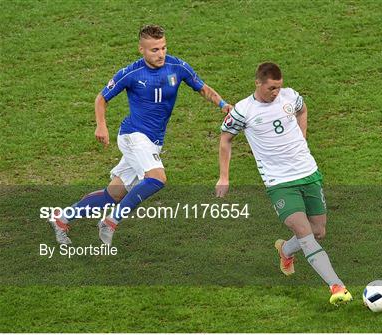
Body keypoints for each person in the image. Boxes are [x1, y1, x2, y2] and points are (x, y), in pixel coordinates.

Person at [49, 24, 232, 246]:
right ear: (141, 49)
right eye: (154, 49)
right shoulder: (131, 73)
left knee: (113, 194)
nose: (161, 54)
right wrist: (101, 126)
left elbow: (201, 87)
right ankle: (111, 221)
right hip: (133, 135)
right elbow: (101, 98)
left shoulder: (177, 66)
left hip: (153, 142)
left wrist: (222, 104)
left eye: (163, 48)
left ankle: (62, 218)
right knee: (156, 178)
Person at [215, 62, 352, 306]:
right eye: (271, 88)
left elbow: (302, 110)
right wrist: (224, 177)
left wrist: (302, 138)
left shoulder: (290, 96)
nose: (276, 92)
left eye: (278, 87)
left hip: (309, 173)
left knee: (318, 231)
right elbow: (226, 139)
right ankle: (336, 286)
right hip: (279, 183)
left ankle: (285, 251)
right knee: (304, 232)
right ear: (258, 83)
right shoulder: (244, 110)